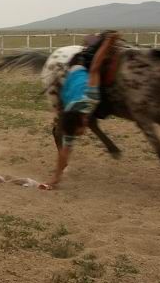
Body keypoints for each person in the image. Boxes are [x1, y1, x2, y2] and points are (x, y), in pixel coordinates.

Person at [49, 32, 120, 187]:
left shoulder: (91, 97)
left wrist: (108, 43)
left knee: (98, 56)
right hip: (69, 84)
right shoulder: (69, 117)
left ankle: (101, 38)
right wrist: (56, 178)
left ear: (83, 120)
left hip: (79, 64)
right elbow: (65, 153)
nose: (82, 133)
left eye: (80, 131)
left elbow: (94, 68)